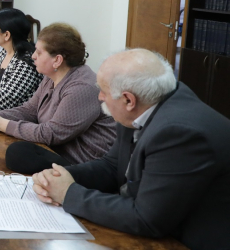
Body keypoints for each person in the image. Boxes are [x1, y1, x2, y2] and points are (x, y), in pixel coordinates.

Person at [32, 49, 230, 250]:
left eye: (103, 90)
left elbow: (147, 218)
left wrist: (68, 193)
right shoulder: (147, 102)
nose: (100, 97)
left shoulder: (179, 133)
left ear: (128, 100)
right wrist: (59, 177)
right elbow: (112, 166)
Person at [0, 23, 116, 174]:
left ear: (57, 60)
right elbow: (30, 110)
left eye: (39, 53)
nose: (33, 56)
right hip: (55, 152)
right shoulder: (52, 75)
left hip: (83, 166)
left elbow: (52, 133)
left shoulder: (82, 87)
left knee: (16, 152)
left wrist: (2, 124)